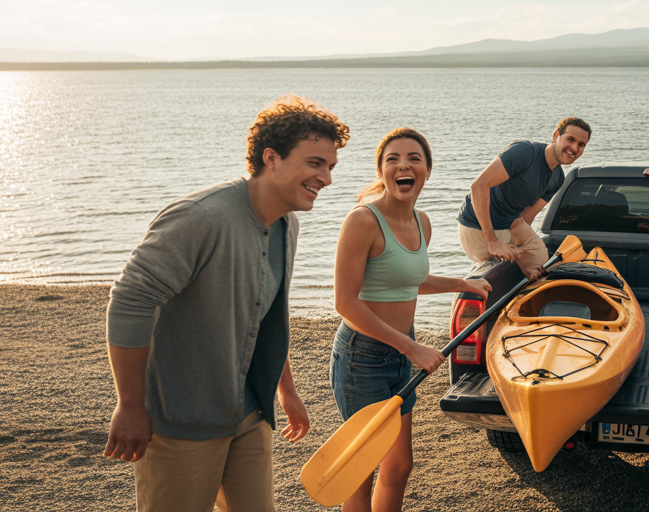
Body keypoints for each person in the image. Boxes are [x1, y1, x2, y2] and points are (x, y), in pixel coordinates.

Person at [102, 95, 347, 511]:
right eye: (315, 163)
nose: (326, 177)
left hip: (250, 415)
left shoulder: (287, 224)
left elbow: (266, 316)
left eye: (330, 166)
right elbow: (130, 301)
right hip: (183, 422)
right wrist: (130, 405)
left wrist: (286, 390)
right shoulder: (202, 217)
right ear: (271, 157)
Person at [332, 127, 491, 512]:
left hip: (401, 354)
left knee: (400, 465)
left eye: (414, 159)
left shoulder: (422, 222)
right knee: (361, 468)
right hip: (363, 357)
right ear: (382, 171)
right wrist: (410, 346)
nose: (404, 166)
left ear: (427, 171)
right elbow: (345, 302)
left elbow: (406, 281)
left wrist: (461, 282)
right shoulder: (363, 221)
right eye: (393, 159)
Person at [456, 117, 590, 279]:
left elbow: (527, 216)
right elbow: (478, 187)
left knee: (539, 258)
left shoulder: (558, 178)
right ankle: (485, 268)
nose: (574, 148)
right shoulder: (524, 153)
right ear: (556, 136)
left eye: (581, 145)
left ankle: (523, 283)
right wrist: (493, 242)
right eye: (570, 139)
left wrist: (520, 250)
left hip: (509, 222)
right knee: (504, 268)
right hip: (476, 225)